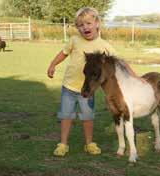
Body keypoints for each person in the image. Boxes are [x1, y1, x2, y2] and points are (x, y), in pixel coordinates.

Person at [47, 7, 115, 157]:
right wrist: (52, 64)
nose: (85, 27)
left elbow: (119, 62)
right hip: (69, 88)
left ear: (97, 23)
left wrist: (134, 76)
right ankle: (63, 144)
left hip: (88, 91)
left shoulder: (104, 46)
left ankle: (89, 143)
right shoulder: (74, 40)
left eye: (88, 23)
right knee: (66, 116)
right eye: (81, 25)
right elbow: (63, 54)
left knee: (87, 118)